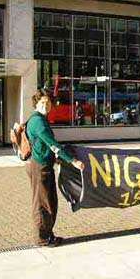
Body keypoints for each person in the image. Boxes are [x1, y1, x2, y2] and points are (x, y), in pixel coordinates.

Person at [26, 89, 84, 247]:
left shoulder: (41, 119)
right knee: (43, 203)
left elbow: (47, 145)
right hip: (40, 167)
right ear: (36, 104)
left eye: (48, 102)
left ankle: (48, 234)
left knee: (49, 201)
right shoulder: (37, 121)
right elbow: (52, 144)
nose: (46, 105)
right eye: (42, 103)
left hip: (45, 165)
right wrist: (72, 161)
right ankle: (42, 238)